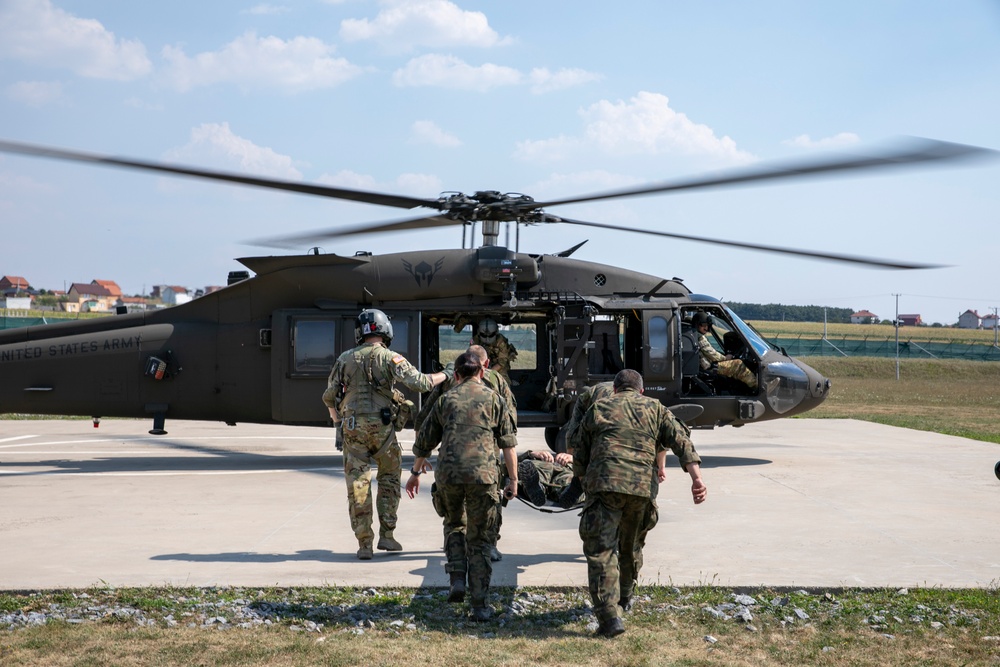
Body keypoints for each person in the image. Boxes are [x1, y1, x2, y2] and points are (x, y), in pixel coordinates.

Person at [575, 368, 707, 638]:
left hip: (605, 485)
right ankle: (624, 598)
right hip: (641, 490)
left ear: (614, 389)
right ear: (641, 390)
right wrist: (697, 479)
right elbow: (682, 441)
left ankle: (609, 617)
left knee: (601, 551)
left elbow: (579, 449)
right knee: (630, 545)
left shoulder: (598, 407)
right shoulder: (656, 409)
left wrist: (583, 478)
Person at [323, 308, 450, 561]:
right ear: (386, 330)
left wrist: (338, 426)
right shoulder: (391, 358)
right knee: (390, 480)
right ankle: (388, 536)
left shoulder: (344, 359)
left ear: (360, 332)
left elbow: (329, 397)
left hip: (352, 430)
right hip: (383, 433)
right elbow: (422, 383)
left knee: (358, 485)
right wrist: (446, 374)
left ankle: (364, 544)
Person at [406, 351, 519, 622]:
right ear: (482, 373)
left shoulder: (445, 399)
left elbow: (425, 440)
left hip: (449, 474)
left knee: (454, 524)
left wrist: (415, 472)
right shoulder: (495, 399)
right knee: (480, 540)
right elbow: (508, 444)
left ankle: (457, 577)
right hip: (484, 476)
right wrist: (513, 480)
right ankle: (480, 605)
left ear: (455, 375)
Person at [415, 344, 517, 562]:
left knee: (454, 514)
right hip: (486, 458)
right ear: (485, 365)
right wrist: (513, 476)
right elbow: (510, 424)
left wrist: (418, 464)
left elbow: (425, 418)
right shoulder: (498, 383)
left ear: (457, 372)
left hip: (452, 458)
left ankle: (455, 548)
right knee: (488, 504)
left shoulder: (451, 384)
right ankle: (488, 545)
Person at [692, 311, 757, 391]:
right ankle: (756, 386)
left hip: (705, 366)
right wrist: (726, 358)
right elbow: (712, 354)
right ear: (697, 324)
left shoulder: (693, 335)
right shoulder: (699, 337)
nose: (706, 328)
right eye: (703, 325)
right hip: (709, 368)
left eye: (707, 325)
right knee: (738, 364)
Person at [454, 316, 518, 379]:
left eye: (491, 335)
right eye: (484, 335)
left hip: (498, 366)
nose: (487, 338)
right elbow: (471, 358)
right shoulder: (476, 340)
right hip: (480, 365)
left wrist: (487, 373)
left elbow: (502, 362)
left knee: (503, 378)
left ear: (496, 333)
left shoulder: (501, 342)